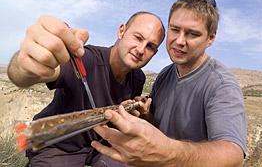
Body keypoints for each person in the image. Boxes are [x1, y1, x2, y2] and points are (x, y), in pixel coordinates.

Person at [91, 0, 247, 167]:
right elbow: (157, 122)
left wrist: (166, 152)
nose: (179, 41)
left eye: (192, 34)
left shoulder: (221, 84)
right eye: (174, 29)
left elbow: (234, 154)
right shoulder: (166, 74)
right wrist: (145, 114)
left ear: (210, 38)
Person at [7, 12, 165, 166]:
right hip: (58, 148)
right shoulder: (87, 60)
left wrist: (140, 113)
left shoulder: (138, 78)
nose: (141, 49)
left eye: (150, 46)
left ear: (155, 53)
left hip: (100, 148)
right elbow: (22, 75)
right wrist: (24, 64)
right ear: (121, 31)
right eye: (138, 37)